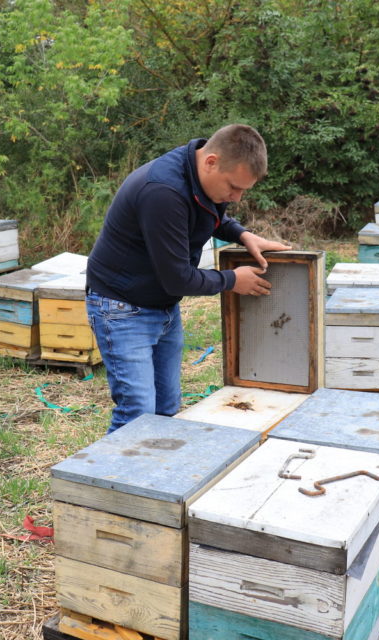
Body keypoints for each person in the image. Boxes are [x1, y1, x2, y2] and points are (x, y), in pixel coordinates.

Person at [86, 123, 290, 432]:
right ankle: (105, 479)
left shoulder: (200, 176)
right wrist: (232, 280)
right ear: (211, 161)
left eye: (242, 191)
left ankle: (157, 476)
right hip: (121, 307)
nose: (235, 197)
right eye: (233, 187)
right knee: (137, 413)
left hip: (162, 306)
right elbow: (178, 279)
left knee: (167, 407)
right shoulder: (163, 192)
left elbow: (215, 213)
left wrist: (242, 234)